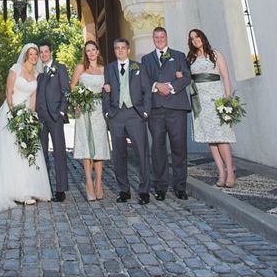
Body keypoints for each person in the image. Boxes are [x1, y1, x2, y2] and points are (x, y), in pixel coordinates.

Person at [0, 43, 52, 214]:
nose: (34, 57)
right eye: (31, 54)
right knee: (11, 151)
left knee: (27, 151)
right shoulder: (16, 68)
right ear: (26, 55)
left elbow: (33, 97)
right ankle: (11, 189)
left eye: (35, 54)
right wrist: (15, 114)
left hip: (26, 114)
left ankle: (28, 189)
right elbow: (8, 92)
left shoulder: (37, 74)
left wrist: (30, 117)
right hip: (11, 112)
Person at [140, 26, 191, 201]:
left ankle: (180, 187)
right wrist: (156, 86)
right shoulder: (146, 59)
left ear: (166, 37)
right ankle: (160, 187)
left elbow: (186, 76)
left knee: (179, 148)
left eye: (162, 37)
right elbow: (144, 80)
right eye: (156, 37)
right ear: (153, 39)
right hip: (156, 110)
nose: (159, 39)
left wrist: (170, 86)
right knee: (158, 149)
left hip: (176, 108)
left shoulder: (179, 56)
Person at [102, 38, 152, 204]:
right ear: (114, 51)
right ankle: (124, 190)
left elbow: (147, 90)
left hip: (135, 114)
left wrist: (145, 112)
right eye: (117, 48)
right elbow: (105, 90)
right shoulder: (109, 68)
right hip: (116, 115)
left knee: (141, 153)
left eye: (123, 48)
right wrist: (107, 111)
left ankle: (144, 191)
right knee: (119, 154)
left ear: (128, 50)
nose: (120, 50)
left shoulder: (138, 67)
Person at [187, 28, 237, 187]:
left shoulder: (215, 54)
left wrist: (228, 99)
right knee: (211, 139)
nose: (195, 40)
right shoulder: (191, 58)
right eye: (192, 38)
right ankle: (221, 172)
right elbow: (188, 78)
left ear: (203, 37)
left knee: (221, 137)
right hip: (201, 102)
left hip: (217, 99)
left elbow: (225, 77)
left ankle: (230, 172)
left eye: (197, 36)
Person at [70, 40, 110, 201]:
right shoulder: (80, 68)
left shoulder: (104, 70)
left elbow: (109, 88)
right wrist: (77, 102)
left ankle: (98, 182)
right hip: (84, 110)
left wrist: (108, 89)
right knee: (86, 145)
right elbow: (72, 86)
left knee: (99, 145)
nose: (91, 53)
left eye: (93, 50)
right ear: (85, 53)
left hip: (99, 110)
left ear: (98, 51)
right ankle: (88, 181)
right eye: (88, 50)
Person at [36, 43, 69, 202]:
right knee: (41, 154)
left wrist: (62, 112)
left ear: (51, 52)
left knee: (59, 153)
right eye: (41, 52)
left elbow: (66, 91)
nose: (43, 54)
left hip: (55, 117)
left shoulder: (60, 68)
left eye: (46, 51)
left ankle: (61, 190)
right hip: (40, 118)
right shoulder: (38, 71)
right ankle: (44, 188)